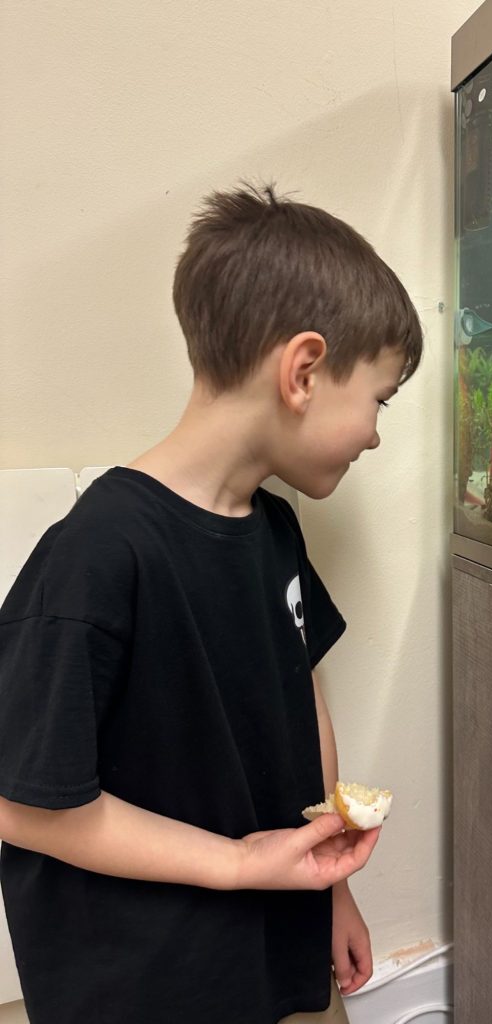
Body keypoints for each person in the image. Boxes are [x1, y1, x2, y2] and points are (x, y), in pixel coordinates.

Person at [0, 183, 423, 1024]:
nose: (377, 432)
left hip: (264, 945)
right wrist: (237, 862)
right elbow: (24, 806)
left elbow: (305, 701)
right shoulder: (97, 554)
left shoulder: (273, 530)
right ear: (303, 371)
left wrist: (331, 884)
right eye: (378, 398)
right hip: (142, 981)